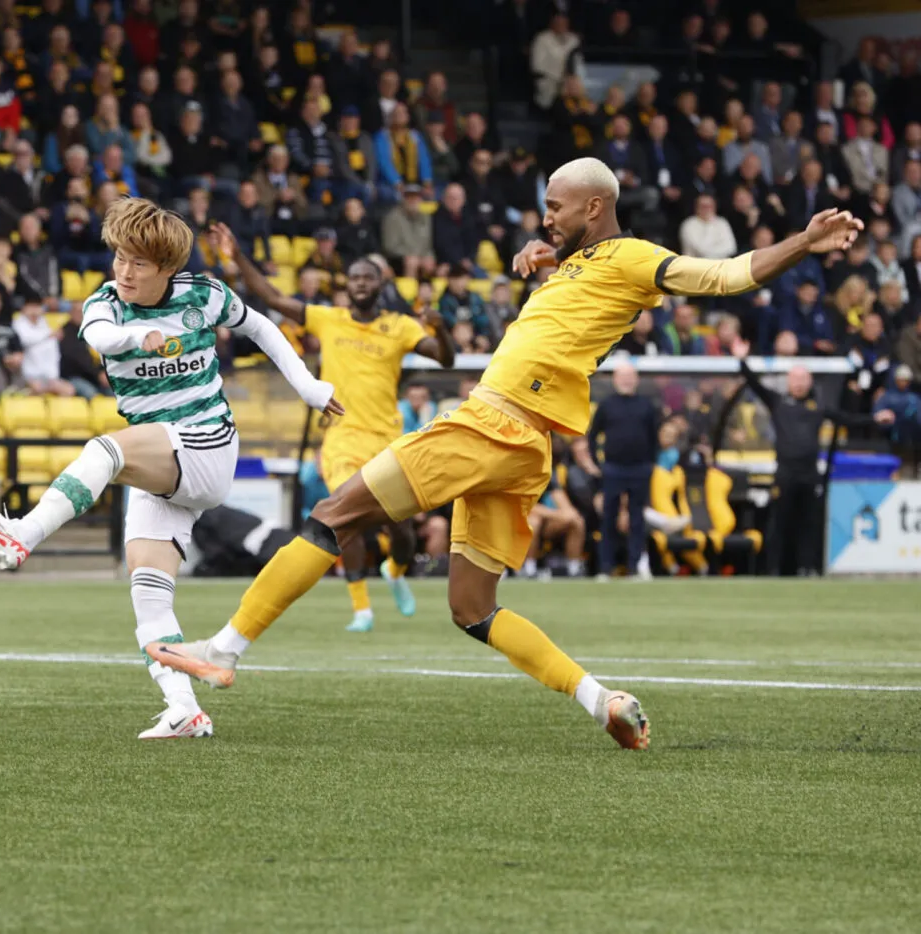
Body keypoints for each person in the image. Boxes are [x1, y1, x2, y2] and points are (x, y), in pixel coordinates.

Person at [150, 157, 867, 751]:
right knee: (471, 608)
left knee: (334, 514)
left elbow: (726, 277)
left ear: (594, 205)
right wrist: (550, 257)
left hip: (495, 422)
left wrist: (802, 242)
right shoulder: (579, 257)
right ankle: (602, 700)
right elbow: (578, 272)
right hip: (525, 446)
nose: (544, 215)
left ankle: (226, 650)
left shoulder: (635, 257)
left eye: (555, 206)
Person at [0, 198, 342, 741]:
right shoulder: (106, 304)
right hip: (161, 458)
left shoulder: (203, 295)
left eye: (138, 262)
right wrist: (141, 337)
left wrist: (309, 388)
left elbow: (262, 327)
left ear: (167, 267)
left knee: (105, 451)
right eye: (119, 257)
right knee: (149, 590)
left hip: (205, 443)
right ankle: (185, 709)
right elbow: (100, 338)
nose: (124, 271)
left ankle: (22, 534)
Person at [211, 219, 455, 632]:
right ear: (347, 285)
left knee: (402, 532)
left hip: (387, 439)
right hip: (341, 439)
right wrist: (236, 257)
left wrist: (442, 328)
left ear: (381, 284)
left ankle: (395, 571)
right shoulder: (329, 318)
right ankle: (362, 608)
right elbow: (271, 296)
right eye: (354, 278)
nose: (360, 283)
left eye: (368, 278)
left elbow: (445, 359)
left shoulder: (400, 327)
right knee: (349, 519)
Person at [734, 340, 894, 576]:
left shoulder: (818, 406)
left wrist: (874, 419)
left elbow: (847, 418)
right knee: (779, 522)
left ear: (809, 382)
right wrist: (742, 360)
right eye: (794, 379)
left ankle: (807, 568)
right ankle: (773, 569)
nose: (798, 384)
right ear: (788, 382)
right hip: (785, 473)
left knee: (809, 523)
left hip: (809, 473)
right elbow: (754, 383)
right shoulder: (778, 401)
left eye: (802, 379)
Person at [586, 362, 659, 581]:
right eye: (622, 376)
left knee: (637, 519)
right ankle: (605, 567)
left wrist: (650, 465)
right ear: (615, 380)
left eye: (630, 376)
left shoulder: (646, 405)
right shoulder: (607, 406)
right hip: (613, 469)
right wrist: (599, 465)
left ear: (636, 380)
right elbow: (592, 435)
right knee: (609, 518)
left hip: (639, 469)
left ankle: (635, 566)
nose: (626, 381)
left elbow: (654, 437)